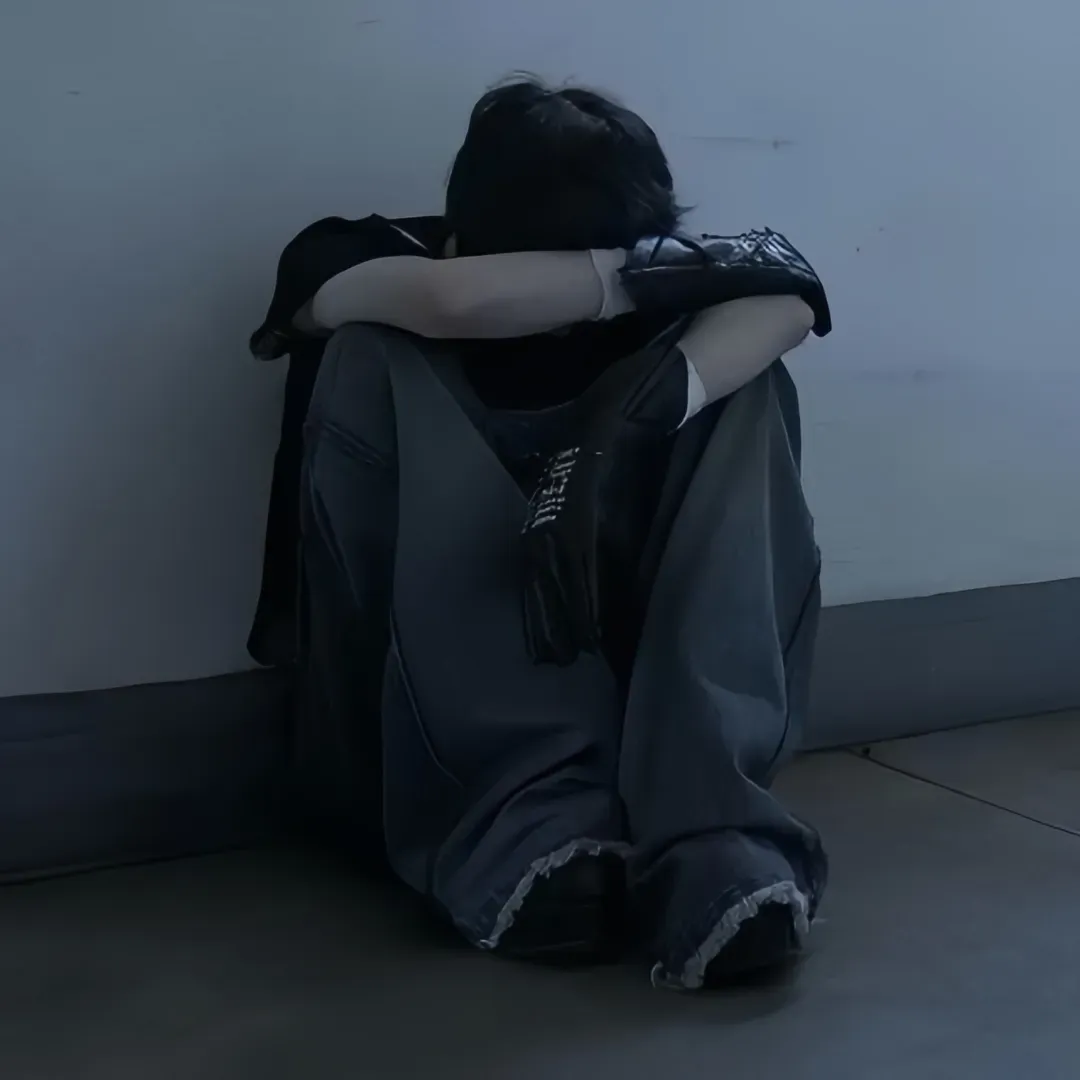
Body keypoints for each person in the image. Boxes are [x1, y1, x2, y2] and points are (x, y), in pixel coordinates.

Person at [248, 79, 831, 989]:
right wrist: (639, 274)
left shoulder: (678, 291)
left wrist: (622, 423)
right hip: (411, 720)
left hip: (627, 661)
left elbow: (792, 303)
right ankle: (527, 819)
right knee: (373, 349)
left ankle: (714, 831)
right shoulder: (350, 253)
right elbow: (452, 302)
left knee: (742, 377)